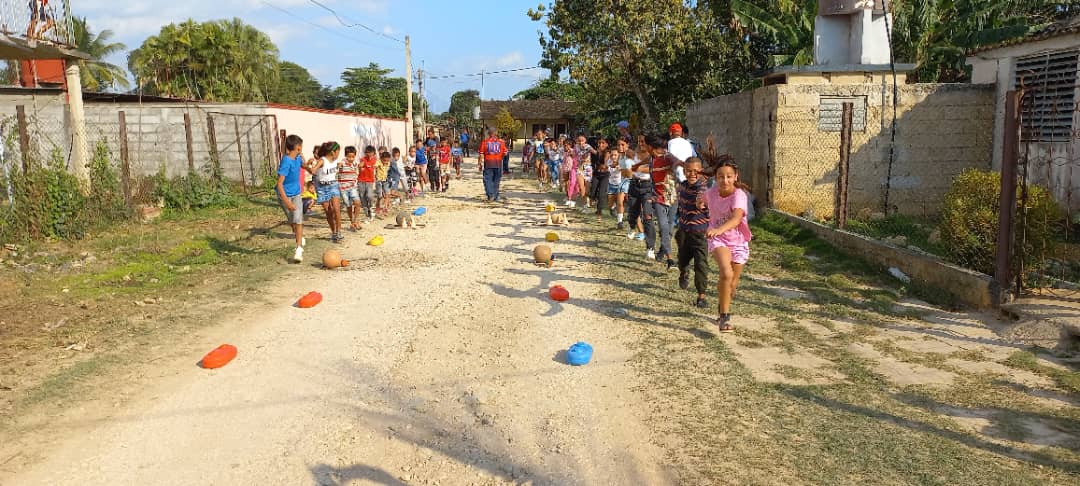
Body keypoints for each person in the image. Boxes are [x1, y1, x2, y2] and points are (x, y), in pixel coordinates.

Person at [705, 160, 753, 332]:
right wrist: (698, 202)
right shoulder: (710, 193)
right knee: (726, 272)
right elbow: (702, 199)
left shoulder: (739, 195)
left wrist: (720, 228)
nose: (724, 180)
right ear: (715, 178)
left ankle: (722, 303)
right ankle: (725, 317)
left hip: (738, 240)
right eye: (720, 177)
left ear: (735, 177)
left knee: (732, 284)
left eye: (728, 176)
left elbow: (737, 218)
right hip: (719, 239)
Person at [676, 158, 711, 309]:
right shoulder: (682, 187)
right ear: (684, 172)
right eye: (689, 171)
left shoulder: (704, 188)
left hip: (700, 234)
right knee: (682, 260)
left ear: (701, 172)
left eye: (696, 171)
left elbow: (701, 199)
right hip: (684, 231)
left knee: (701, 264)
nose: (692, 174)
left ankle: (701, 296)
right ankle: (684, 271)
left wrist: (701, 203)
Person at [275, 134, 307, 263]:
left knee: (298, 219)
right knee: (293, 221)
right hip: (284, 195)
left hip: (296, 193)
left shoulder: (298, 158)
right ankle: (299, 237)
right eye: (301, 146)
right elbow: (279, 184)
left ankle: (298, 249)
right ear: (298, 147)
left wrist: (310, 166)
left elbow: (303, 166)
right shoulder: (286, 161)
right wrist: (287, 202)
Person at [308, 141, 344, 243]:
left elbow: (334, 166)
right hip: (322, 188)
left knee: (336, 209)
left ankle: (339, 232)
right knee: (329, 212)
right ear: (333, 152)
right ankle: (333, 232)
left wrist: (339, 165)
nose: (338, 155)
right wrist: (312, 169)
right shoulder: (322, 160)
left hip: (333, 185)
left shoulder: (334, 161)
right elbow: (314, 170)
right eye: (338, 152)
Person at [478, 128, 508, 202]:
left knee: (487, 180)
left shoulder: (485, 142)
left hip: (488, 163)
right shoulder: (501, 142)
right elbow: (505, 153)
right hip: (498, 163)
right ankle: (496, 196)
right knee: (496, 180)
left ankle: (491, 195)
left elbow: (481, 154)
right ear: (496, 133)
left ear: (489, 133)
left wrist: (480, 163)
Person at [337, 146, 362, 231]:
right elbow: (338, 166)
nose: (351, 158)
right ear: (345, 155)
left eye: (353, 157)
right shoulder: (342, 163)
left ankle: (355, 220)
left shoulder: (355, 163)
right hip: (343, 188)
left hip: (352, 187)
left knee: (357, 203)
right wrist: (338, 166)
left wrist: (360, 167)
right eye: (349, 156)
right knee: (348, 205)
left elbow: (357, 171)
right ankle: (352, 222)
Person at [356, 145, 378, 223]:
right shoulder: (363, 159)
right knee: (362, 197)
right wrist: (360, 167)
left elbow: (378, 167)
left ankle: (372, 208)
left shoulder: (375, 160)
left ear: (374, 153)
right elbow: (360, 167)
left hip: (369, 181)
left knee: (369, 195)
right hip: (361, 181)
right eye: (367, 152)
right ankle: (367, 214)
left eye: (371, 152)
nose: (369, 154)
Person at [589, 138, 610, 216]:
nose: (601, 144)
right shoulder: (597, 152)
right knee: (593, 192)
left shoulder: (607, 153)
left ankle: (599, 210)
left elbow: (605, 161)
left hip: (605, 175)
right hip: (596, 174)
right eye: (599, 143)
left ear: (607, 144)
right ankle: (593, 199)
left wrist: (605, 165)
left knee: (601, 193)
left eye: (603, 143)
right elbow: (591, 150)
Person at [376, 150, 392, 216]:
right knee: (380, 196)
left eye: (387, 161)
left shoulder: (388, 163)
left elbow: (390, 171)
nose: (386, 162)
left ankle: (385, 207)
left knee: (387, 194)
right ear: (381, 159)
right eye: (384, 160)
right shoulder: (378, 162)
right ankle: (378, 207)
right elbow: (374, 166)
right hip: (379, 181)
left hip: (385, 181)